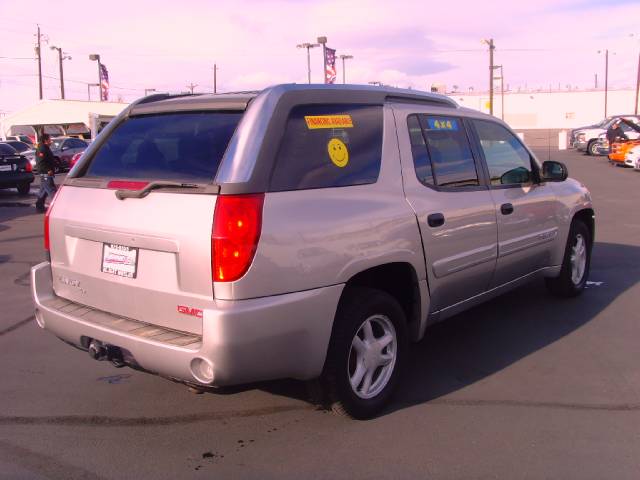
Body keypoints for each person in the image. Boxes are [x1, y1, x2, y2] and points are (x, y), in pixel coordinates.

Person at [35, 134, 58, 213]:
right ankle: (56, 208)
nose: (51, 141)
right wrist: (48, 170)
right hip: (46, 174)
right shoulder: (41, 149)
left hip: (47, 174)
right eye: (49, 139)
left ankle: (39, 206)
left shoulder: (46, 148)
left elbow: (49, 159)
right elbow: (40, 163)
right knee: (52, 191)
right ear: (45, 141)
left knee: (43, 191)